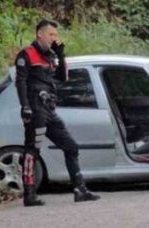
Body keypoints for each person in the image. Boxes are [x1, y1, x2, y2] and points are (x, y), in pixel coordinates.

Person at [15, 19, 100, 207]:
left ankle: (80, 189)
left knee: (71, 147)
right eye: (51, 34)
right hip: (35, 109)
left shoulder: (50, 56)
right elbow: (20, 82)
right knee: (32, 150)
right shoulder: (27, 55)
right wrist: (25, 106)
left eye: (56, 35)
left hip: (49, 109)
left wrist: (61, 56)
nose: (54, 38)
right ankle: (29, 194)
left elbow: (62, 78)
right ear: (40, 34)